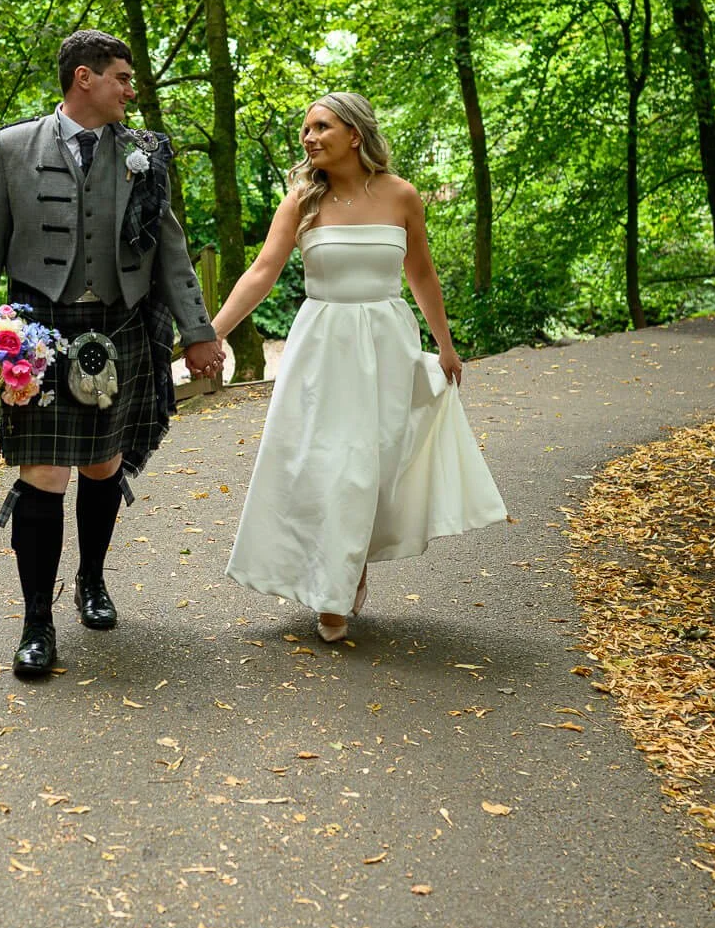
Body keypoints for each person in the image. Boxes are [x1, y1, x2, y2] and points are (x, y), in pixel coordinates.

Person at [0, 30, 227, 678]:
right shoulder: (12, 147)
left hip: (120, 327)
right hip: (37, 332)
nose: (132, 90)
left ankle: (92, 579)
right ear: (85, 78)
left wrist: (198, 332)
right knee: (43, 473)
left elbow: (171, 252)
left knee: (104, 465)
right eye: (122, 78)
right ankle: (35, 622)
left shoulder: (146, 154)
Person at [210, 92, 507, 642]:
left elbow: (422, 273)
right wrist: (214, 332)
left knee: (373, 465)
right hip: (323, 347)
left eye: (321, 126)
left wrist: (445, 344)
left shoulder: (402, 196)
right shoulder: (302, 200)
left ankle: (349, 564)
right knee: (332, 463)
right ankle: (333, 592)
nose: (309, 138)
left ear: (354, 133)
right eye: (305, 130)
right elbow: (262, 272)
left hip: (388, 344)